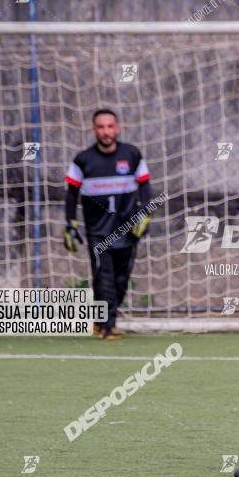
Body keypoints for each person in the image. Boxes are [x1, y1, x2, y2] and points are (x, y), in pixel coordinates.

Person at [63, 109, 152, 340]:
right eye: (101, 127)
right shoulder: (82, 160)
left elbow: (145, 185)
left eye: (110, 126)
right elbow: (71, 194)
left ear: (117, 128)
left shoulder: (132, 155)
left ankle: (101, 319)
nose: (106, 131)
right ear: (94, 130)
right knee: (104, 278)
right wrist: (70, 224)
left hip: (127, 230)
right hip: (98, 232)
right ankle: (108, 326)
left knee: (121, 280)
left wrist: (145, 213)